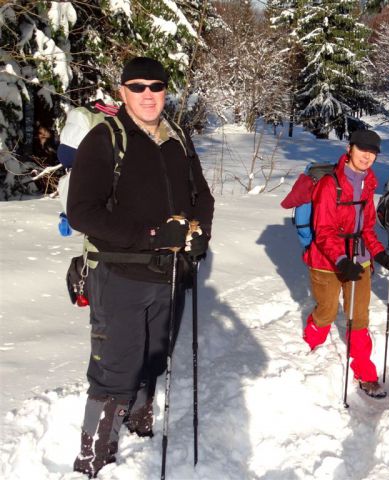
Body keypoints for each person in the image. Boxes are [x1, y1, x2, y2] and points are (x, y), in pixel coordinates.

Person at [67, 57, 215, 477]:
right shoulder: (105, 139)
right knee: (116, 366)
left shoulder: (179, 138)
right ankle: (96, 451)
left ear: (166, 91)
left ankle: (139, 415)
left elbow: (200, 195)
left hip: (169, 275)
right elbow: (82, 212)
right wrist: (151, 236)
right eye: (138, 86)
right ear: (123, 92)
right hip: (120, 275)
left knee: (155, 357)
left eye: (156, 86)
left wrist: (199, 232)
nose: (148, 94)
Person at [302, 129, 389, 399]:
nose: (367, 156)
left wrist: (379, 254)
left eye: (373, 152)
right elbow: (323, 231)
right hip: (326, 260)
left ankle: (365, 372)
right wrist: (342, 261)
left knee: (359, 317)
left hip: (359, 259)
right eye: (362, 149)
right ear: (349, 148)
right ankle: (310, 346)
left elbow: (367, 228)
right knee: (327, 311)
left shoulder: (369, 183)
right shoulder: (330, 184)